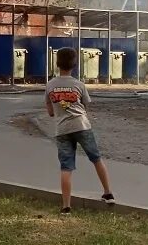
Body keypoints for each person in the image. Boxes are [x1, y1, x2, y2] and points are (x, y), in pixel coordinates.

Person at [45, 47, 114, 214]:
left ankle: (66, 206)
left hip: (62, 130)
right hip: (82, 126)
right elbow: (85, 105)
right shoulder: (79, 85)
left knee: (66, 167)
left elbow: (50, 111)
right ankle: (108, 193)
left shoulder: (50, 85)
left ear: (57, 64)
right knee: (96, 158)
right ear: (74, 64)